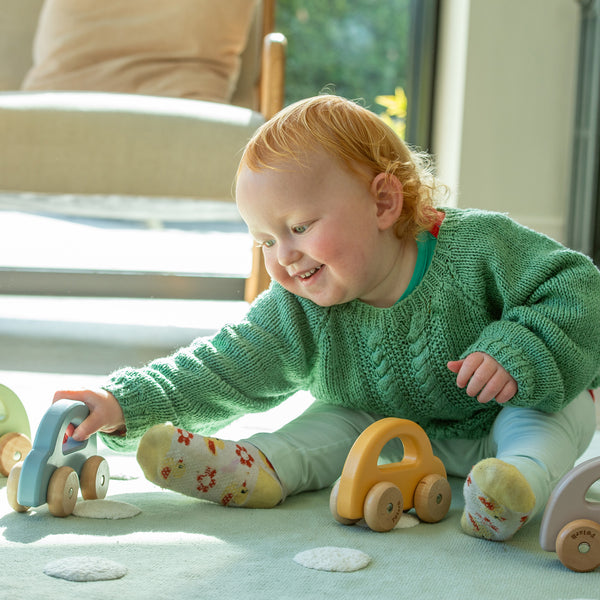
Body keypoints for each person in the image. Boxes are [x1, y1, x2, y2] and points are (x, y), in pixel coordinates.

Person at [54, 95, 600, 541]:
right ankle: (257, 466)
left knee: (548, 414)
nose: (283, 256)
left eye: (299, 226)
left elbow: (579, 289)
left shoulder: (478, 247)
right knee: (326, 423)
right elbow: (224, 367)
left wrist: (521, 348)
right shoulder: (300, 305)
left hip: (508, 407)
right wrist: (126, 404)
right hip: (382, 425)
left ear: (383, 204)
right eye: (264, 239)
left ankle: (513, 487)